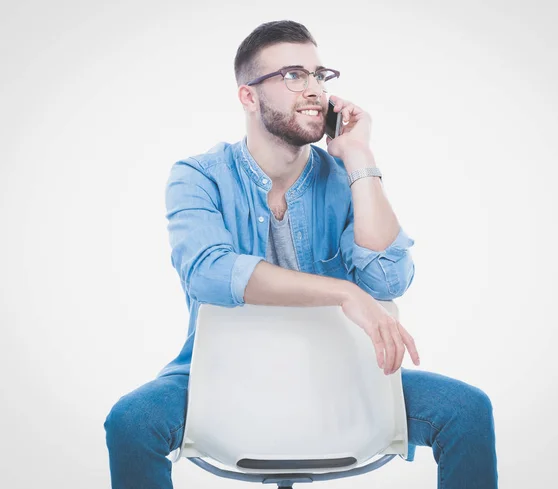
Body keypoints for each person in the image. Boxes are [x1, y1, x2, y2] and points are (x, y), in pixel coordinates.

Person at [104, 20, 498, 489]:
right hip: (221, 373)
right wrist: (343, 293)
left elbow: (390, 280)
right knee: (131, 422)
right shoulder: (198, 176)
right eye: (292, 75)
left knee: (467, 411)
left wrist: (357, 157)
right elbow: (210, 272)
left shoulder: (345, 177)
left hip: (345, 373)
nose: (313, 90)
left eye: (318, 75)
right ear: (248, 97)